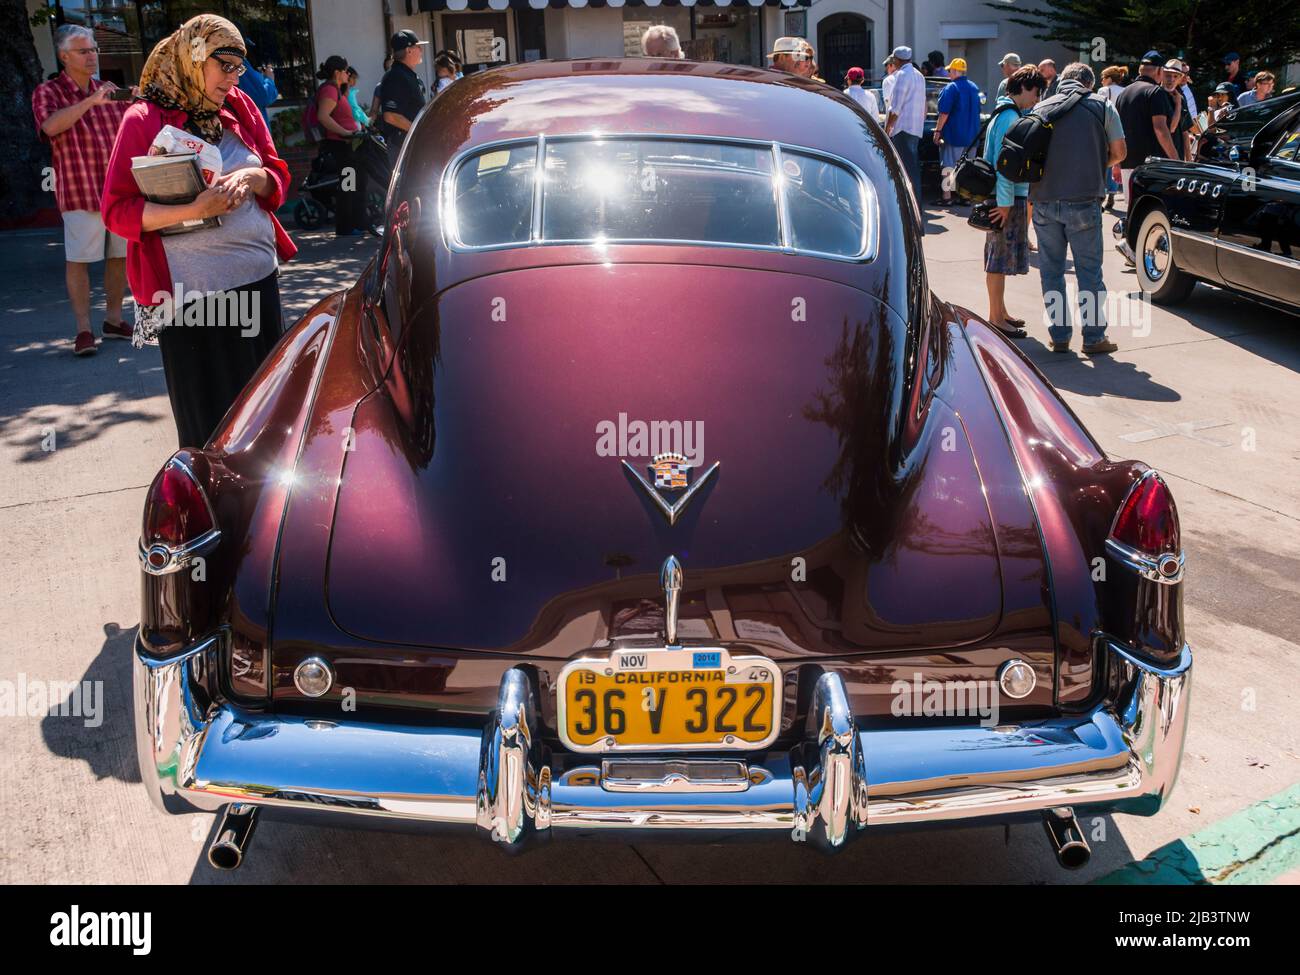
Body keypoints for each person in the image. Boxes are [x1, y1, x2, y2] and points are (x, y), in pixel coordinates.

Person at [101, 14, 296, 449]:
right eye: (223, 65)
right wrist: (195, 208)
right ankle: (211, 513)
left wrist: (254, 178)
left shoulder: (239, 106)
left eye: (239, 67)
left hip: (257, 284)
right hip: (190, 303)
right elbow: (116, 212)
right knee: (208, 425)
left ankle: (266, 511)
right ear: (192, 58)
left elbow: (277, 179)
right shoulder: (143, 119)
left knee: (265, 417)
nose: (233, 77)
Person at [31, 24, 133, 356]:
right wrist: (91, 101)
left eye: (94, 50)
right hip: (79, 189)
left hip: (116, 190)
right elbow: (50, 126)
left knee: (119, 256)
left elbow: (130, 130)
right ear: (64, 56)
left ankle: (114, 320)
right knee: (79, 260)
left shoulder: (109, 89)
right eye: (84, 51)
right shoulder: (48, 91)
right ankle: (83, 330)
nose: (92, 57)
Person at [1029, 63, 1127, 355]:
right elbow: (1120, 152)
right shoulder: (1102, 106)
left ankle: (1059, 336)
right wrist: (1097, 164)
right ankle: (1094, 338)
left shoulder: (1041, 107)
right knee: (1088, 271)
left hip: (1044, 200)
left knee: (1051, 271)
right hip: (1084, 200)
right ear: (1089, 84)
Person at [982, 65, 1043, 337]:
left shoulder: (1004, 112)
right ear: (1025, 87)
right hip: (1005, 198)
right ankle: (996, 317)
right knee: (998, 260)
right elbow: (1004, 164)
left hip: (1002, 196)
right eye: (1036, 92)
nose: (1037, 98)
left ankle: (1000, 311)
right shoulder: (1010, 117)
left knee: (999, 260)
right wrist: (1005, 203)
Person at [1115, 51, 1179, 208]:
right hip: (1151, 166)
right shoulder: (1155, 92)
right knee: (1151, 213)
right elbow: (1160, 129)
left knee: (1132, 210)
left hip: (1127, 162)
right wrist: (1176, 159)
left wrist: (1116, 163)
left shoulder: (1123, 93)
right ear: (1159, 70)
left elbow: (1115, 130)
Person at [313, 56, 366, 237]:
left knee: (352, 185)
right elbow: (323, 116)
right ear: (337, 72)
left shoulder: (336, 89)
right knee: (347, 186)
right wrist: (344, 132)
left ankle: (355, 223)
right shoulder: (329, 90)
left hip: (347, 147)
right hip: (341, 148)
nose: (347, 73)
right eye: (345, 70)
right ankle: (346, 227)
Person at [933, 57, 980, 206]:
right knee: (967, 167)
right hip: (972, 135)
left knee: (948, 166)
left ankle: (947, 197)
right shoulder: (974, 87)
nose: (948, 74)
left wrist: (938, 131)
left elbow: (944, 112)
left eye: (949, 71)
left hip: (955, 135)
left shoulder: (951, 88)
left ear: (954, 71)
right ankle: (965, 197)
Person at [379, 29, 429, 168]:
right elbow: (391, 116)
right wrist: (418, 130)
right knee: (409, 187)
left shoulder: (406, 74)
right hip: (402, 146)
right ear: (409, 50)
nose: (421, 50)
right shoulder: (396, 76)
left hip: (410, 144)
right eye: (418, 47)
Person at [884, 46, 926, 208]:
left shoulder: (901, 75)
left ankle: (909, 208)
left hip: (902, 128)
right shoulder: (919, 75)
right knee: (913, 169)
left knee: (904, 170)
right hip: (915, 128)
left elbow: (895, 108)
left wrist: (887, 129)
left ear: (896, 60)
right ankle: (916, 208)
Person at [1098, 65, 1127, 207]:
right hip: (1121, 129)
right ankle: (1113, 193)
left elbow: (1099, 109)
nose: (1102, 81)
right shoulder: (1125, 91)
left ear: (1109, 78)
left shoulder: (1104, 91)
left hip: (1106, 129)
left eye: (1103, 78)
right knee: (1117, 159)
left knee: (1104, 160)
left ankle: (1102, 191)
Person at [1162, 59, 1192, 160]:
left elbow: (1185, 130)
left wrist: (1189, 157)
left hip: (1177, 155)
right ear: (1162, 74)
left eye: (1175, 76)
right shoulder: (1156, 95)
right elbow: (1171, 128)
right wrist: (1178, 105)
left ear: (1180, 78)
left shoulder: (1181, 97)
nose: (1172, 79)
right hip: (1159, 155)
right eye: (1168, 75)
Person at [369, 56, 391, 121]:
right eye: (388, 69)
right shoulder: (380, 87)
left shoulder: (407, 84)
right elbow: (374, 111)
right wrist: (368, 124)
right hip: (389, 126)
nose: (390, 70)